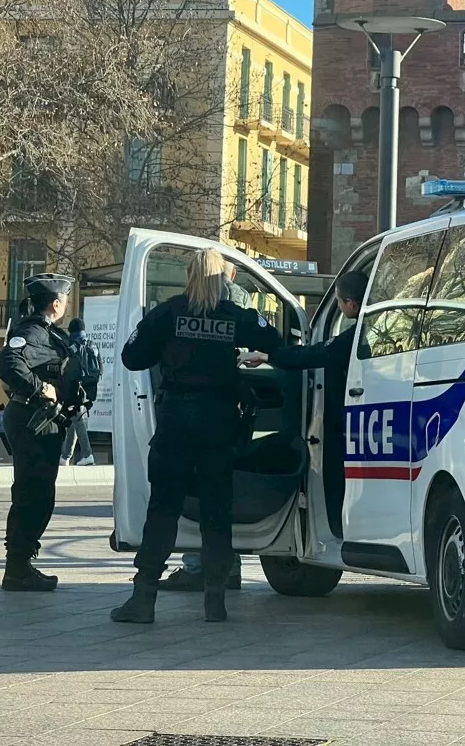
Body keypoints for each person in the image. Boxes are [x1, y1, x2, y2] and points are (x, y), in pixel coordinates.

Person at [110, 248, 282, 625]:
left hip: (175, 423)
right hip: (219, 424)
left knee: (163, 510)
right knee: (216, 514)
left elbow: (131, 357)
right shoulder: (235, 316)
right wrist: (251, 355)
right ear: (225, 279)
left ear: (188, 276)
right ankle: (215, 602)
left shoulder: (169, 312)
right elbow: (279, 342)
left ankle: (143, 600)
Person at [241, 269, 368, 540]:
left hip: (346, 423)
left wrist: (269, 355)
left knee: (338, 478)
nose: (337, 305)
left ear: (351, 305)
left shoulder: (355, 336)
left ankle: (340, 530)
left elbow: (316, 353)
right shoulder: (372, 328)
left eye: (338, 301)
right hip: (355, 421)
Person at [161, 264, 250, 593]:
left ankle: (192, 570)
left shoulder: (177, 307)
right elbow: (262, 341)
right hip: (221, 416)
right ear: (231, 274)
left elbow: (134, 356)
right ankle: (223, 575)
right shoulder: (238, 301)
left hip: (182, 417)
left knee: (178, 499)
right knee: (218, 499)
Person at [0, 273, 83, 592]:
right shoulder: (33, 331)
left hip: (45, 422)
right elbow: (7, 364)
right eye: (65, 300)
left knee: (40, 493)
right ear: (56, 303)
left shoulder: (49, 334)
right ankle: (16, 568)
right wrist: (40, 388)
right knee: (31, 493)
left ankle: (21, 564)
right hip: (33, 420)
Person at [59, 317, 99, 467]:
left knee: (77, 416)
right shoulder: (92, 345)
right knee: (75, 417)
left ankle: (87, 454)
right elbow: (100, 368)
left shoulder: (71, 345)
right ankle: (65, 456)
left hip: (75, 386)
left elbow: (67, 368)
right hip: (90, 387)